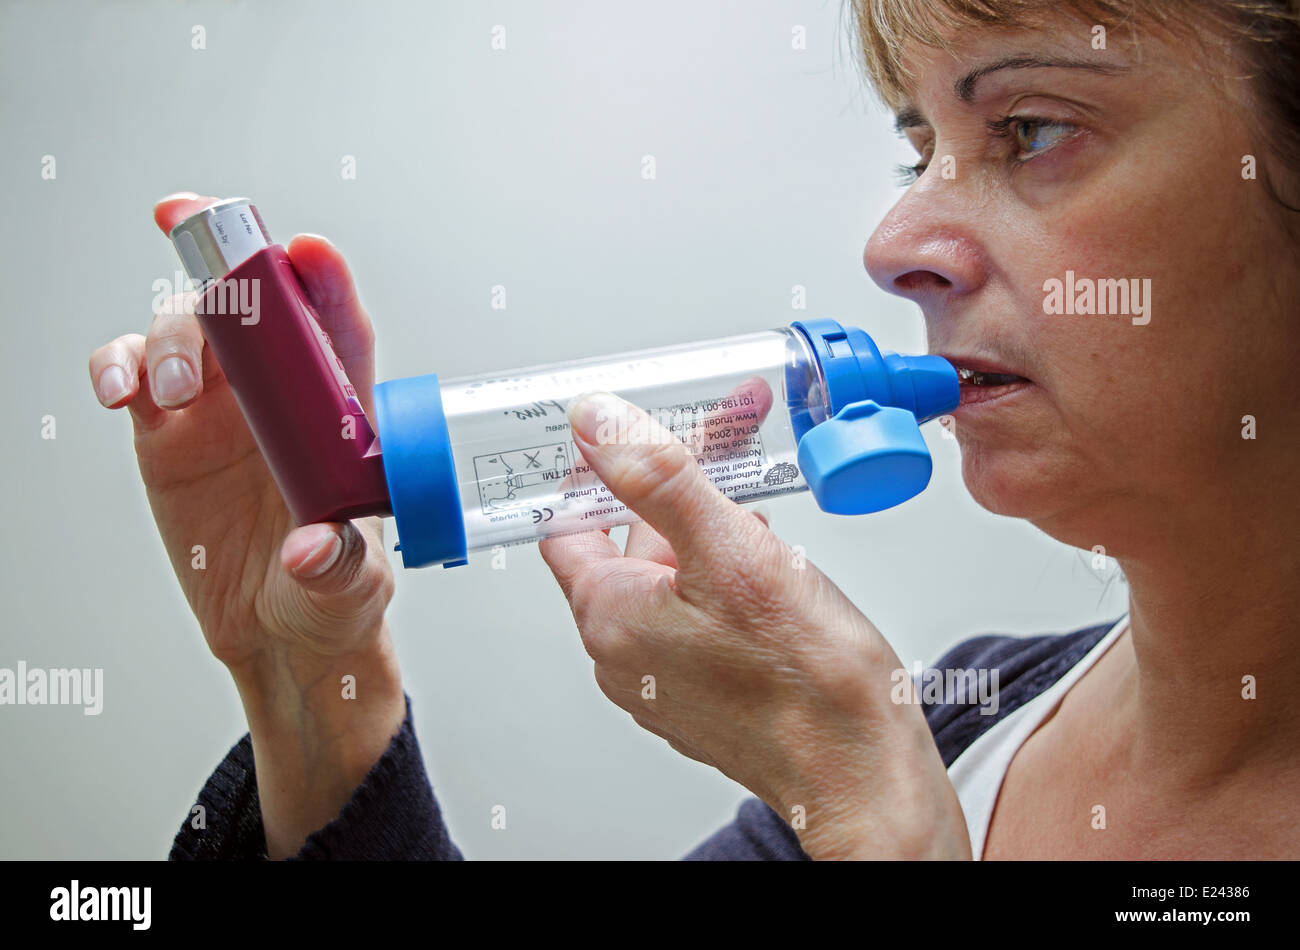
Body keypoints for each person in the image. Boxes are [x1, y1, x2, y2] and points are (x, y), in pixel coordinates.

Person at [88, 0, 1299, 860]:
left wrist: (876, 822)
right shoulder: (944, 724)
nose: (890, 246)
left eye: (1030, 130)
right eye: (916, 145)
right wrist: (312, 685)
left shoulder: (874, 754)